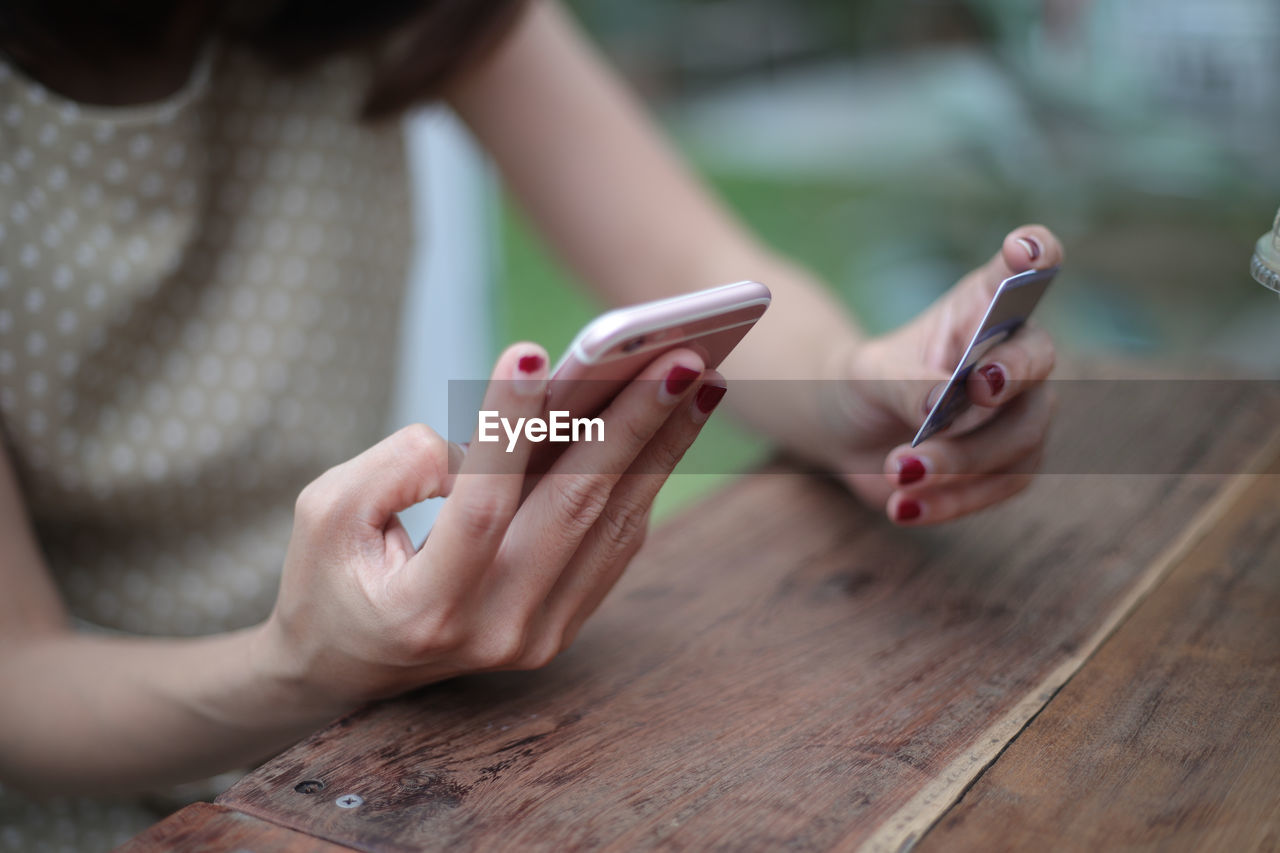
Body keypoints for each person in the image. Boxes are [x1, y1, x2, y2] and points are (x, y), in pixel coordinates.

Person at [0, 0, 1062, 846]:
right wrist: (302, 665)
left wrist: (854, 393)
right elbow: (20, 678)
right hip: (108, 782)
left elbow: (682, 266)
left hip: (381, 750)